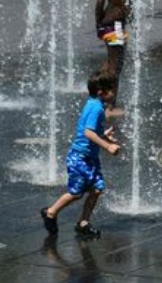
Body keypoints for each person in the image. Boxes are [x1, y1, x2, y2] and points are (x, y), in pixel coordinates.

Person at [40, 70, 121, 238]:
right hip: (79, 158)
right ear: (101, 92)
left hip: (89, 158)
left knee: (97, 189)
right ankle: (51, 212)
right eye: (112, 89)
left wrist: (104, 134)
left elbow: (92, 131)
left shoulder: (95, 104)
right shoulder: (96, 108)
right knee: (76, 192)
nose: (114, 93)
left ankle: (83, 222)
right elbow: (88, 133)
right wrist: (108, 146)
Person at [94, 0, 132, 111]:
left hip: (106, 22)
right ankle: (109, 103)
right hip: (116, 24)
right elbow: (127, 3)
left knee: (111, 59)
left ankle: (98, 86)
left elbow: (99, 4)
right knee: (116, 64)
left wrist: (98, 24)